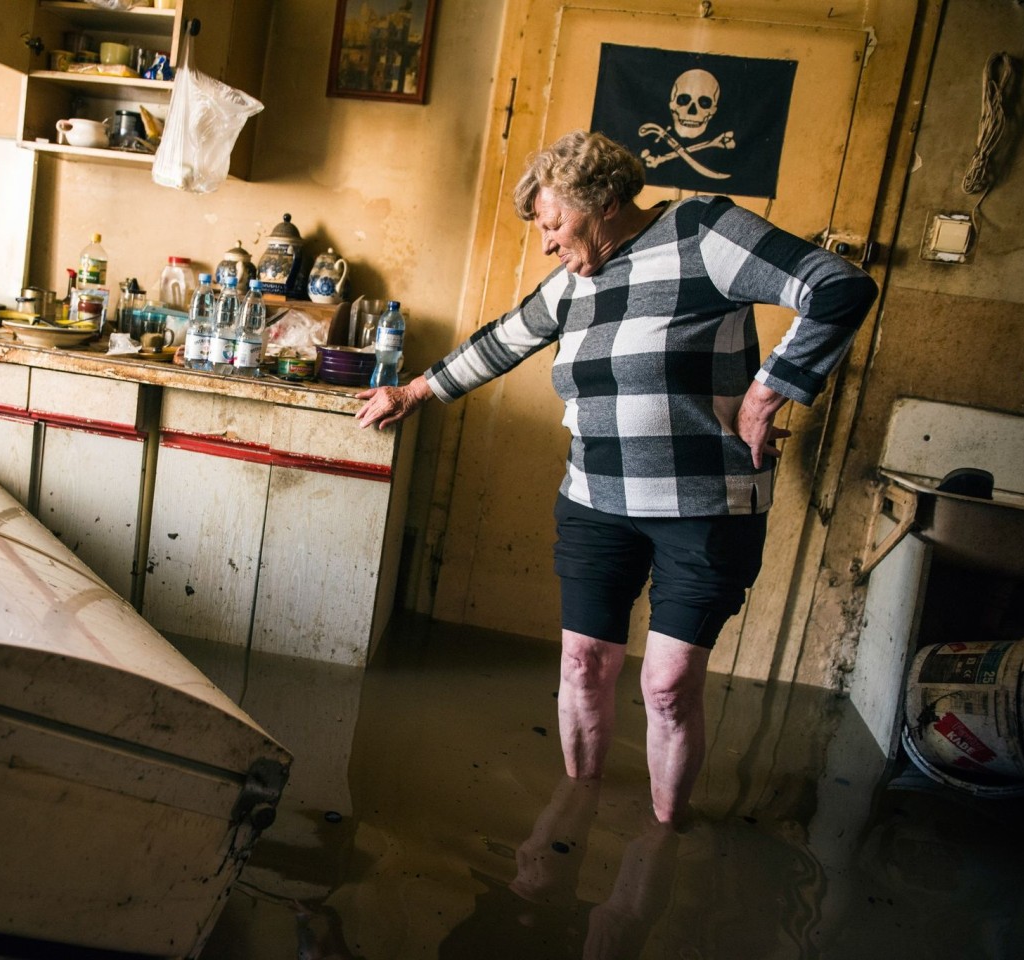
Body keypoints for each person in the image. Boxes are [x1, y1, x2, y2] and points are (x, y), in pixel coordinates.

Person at [354, 130, 878, 827]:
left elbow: (837, 286)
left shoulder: (702, 232)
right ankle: (578, 812)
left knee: (665, 687)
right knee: (582, 665)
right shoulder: (576, 282)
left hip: (706, 507)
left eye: (552, 223)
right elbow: (504, 339)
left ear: (600, 201)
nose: (545, 243)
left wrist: (768, 390)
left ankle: (663, 842)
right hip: (595, 502)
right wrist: (412, 393)